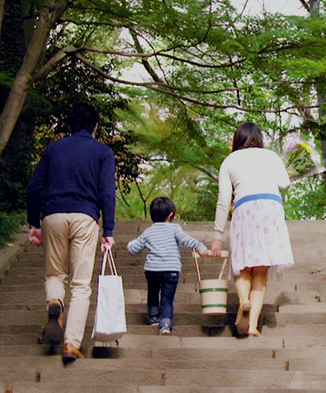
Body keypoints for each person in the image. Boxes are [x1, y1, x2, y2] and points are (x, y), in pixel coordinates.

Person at [26, 103, 116, 365]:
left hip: (53, 215)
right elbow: (107, 193)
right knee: (80, 284)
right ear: (95, 127)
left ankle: (55, 302)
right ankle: (71, 344)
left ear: (69, 125)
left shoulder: (54, 148)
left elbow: (34, 187)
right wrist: (108, 229)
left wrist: (34, 223)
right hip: (85, 217)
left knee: (55, 273)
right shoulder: (103, 152)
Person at [207, 123, 294, 337]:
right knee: (261, 272)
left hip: (246, 208)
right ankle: (253, 325)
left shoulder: (230, 160)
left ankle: (243, 300)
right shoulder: (271, 156)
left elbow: (223, 201)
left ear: (237, 140)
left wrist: (217, 238)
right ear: (259, 138)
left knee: (241, 265)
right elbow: (284, 183)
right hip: (271, 208)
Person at [126, 197, 209, 336]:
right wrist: (201, 247)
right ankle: (165, 325)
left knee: (153, 294)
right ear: (171, 215)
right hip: (171, 270)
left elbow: (134, 249)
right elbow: (186, 240)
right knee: (167, 299)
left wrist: (130, 244)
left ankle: (154, 319)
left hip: (152, 270)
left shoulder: (148, 232)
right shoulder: (175, 228)